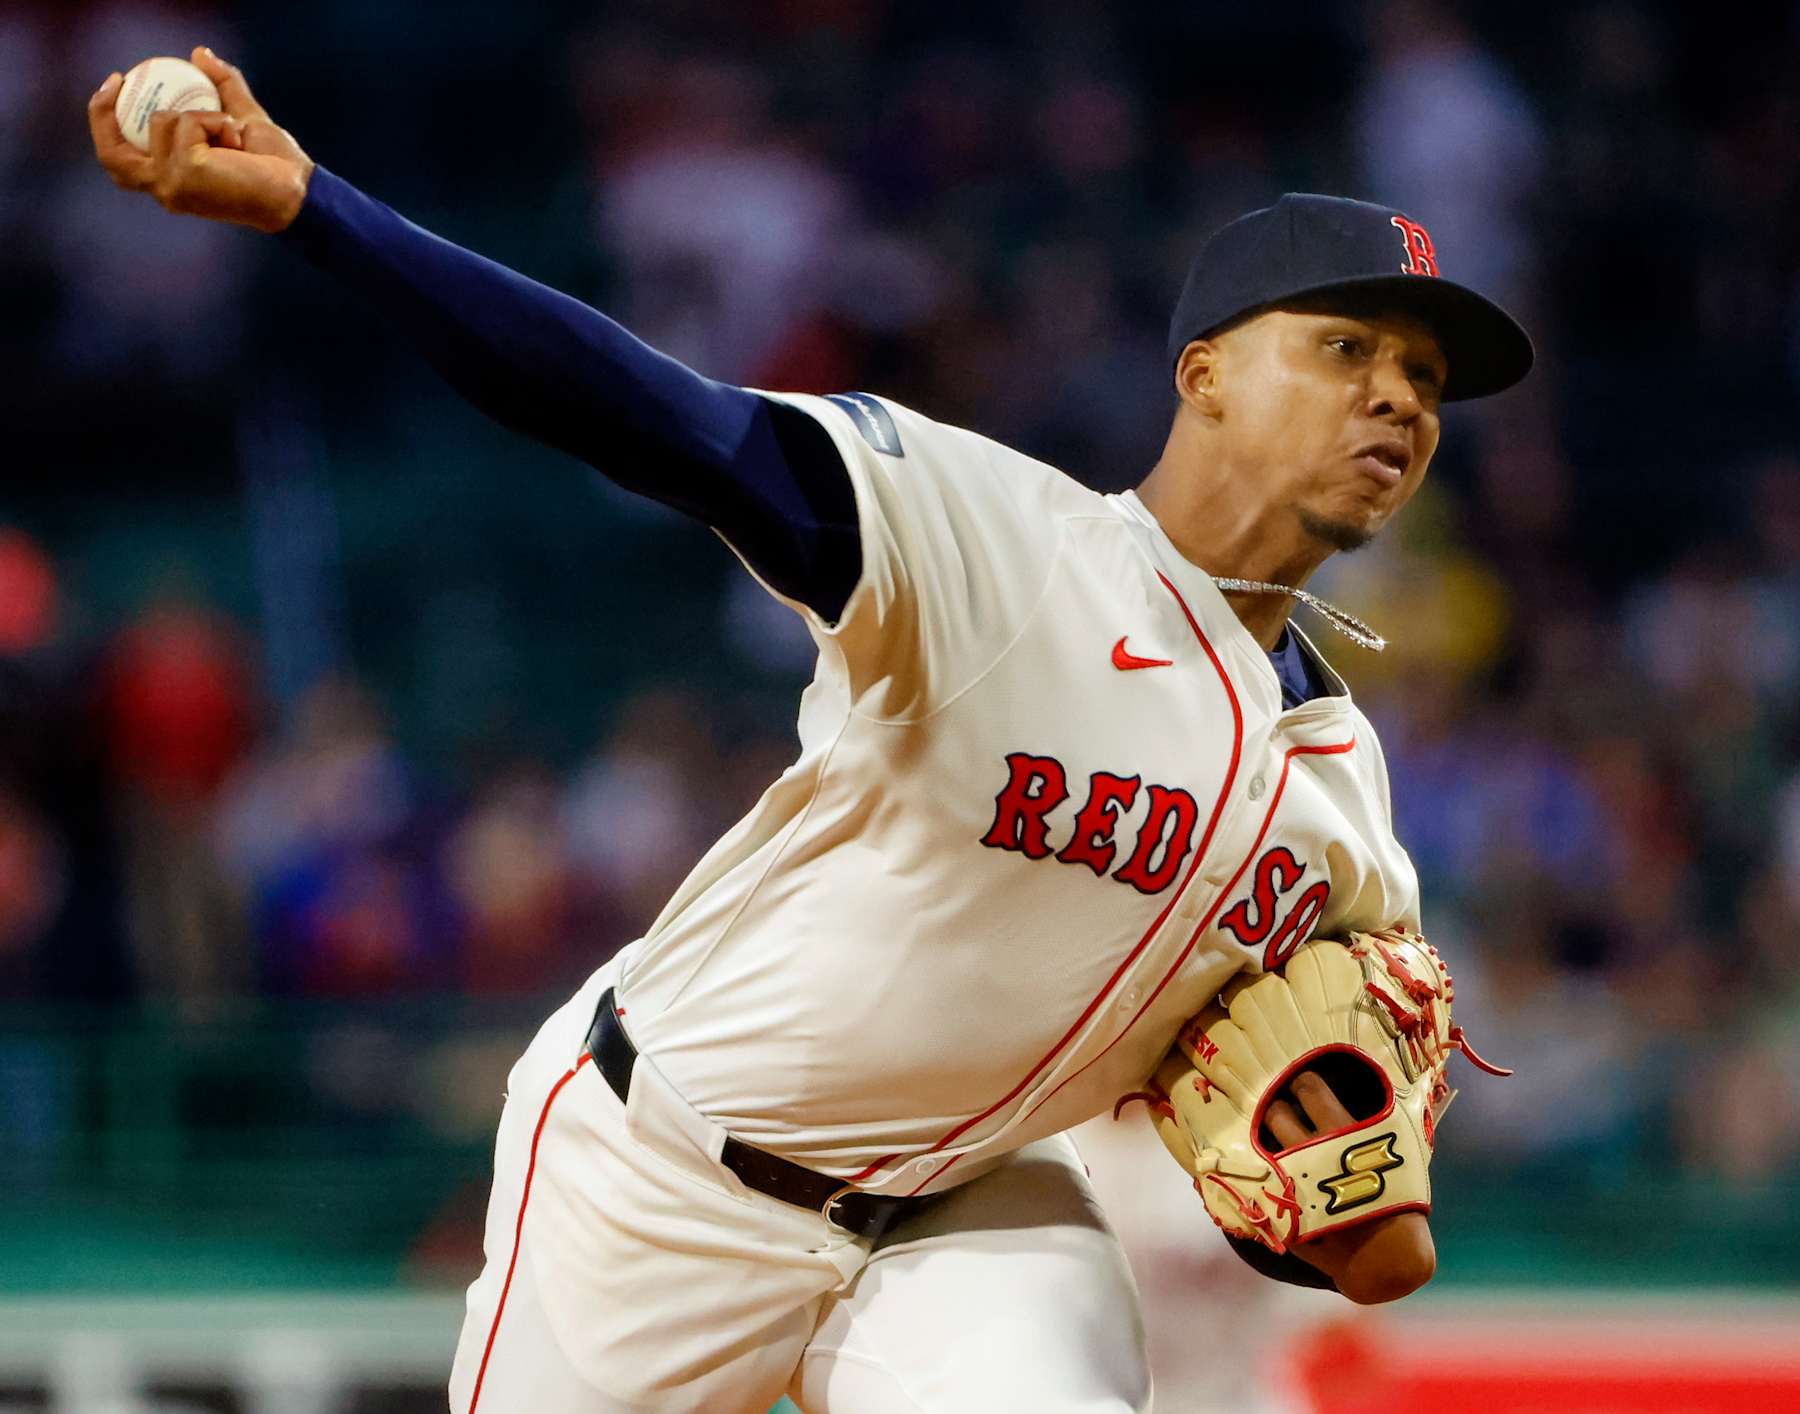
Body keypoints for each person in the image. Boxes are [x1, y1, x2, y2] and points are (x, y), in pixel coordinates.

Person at [88, 47, 1533, 1414]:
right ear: (1203, 371)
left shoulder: (1345, 807)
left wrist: (1337, 1206)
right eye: (1347, 346)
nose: (1398, 396)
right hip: (660, 1165)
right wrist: (318, 210)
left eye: (1424, 380)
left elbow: (1329, 1190)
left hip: (965, 1218)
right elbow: (655, 416)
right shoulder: (997, 546)